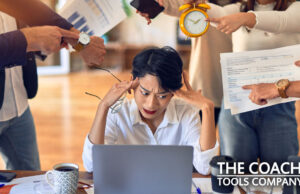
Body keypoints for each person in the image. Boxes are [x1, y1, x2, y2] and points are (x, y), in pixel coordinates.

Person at [0, 0, 106, 170]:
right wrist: (28, 38)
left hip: (19, 105)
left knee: (30, 178)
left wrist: (83, 42)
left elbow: (32, 9)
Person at [82, 46, 218, 175]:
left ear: (174, 93)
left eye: (162, 96)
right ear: (132, 82)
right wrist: (103, 106)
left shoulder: (186, 112)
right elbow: (92, 165)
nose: (151, 104)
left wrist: (207, 109)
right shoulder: (117, 112)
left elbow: (205, 167)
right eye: (145, 93)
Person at [204, 0, 300, 169]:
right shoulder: (239, 8)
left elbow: (282, 21)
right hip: (237, 104)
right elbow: (211, 14)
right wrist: (193, 5)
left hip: (279, 104)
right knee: (235, 177)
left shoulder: (295, 7)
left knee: (281, 178)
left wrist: (245, 18)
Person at [137, 0, 235, 125]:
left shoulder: (246, 7)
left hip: (236, 87)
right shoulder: (197, 3)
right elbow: (172, 4)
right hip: (204, 85)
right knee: (198, 140)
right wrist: (152, 5)